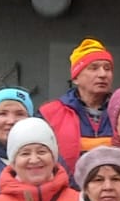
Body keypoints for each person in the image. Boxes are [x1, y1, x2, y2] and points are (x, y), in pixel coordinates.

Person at [40, 37, 115, 172]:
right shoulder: (49, 114)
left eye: (107, 68)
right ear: (75, 78)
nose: (103, 74)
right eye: (94, 68)